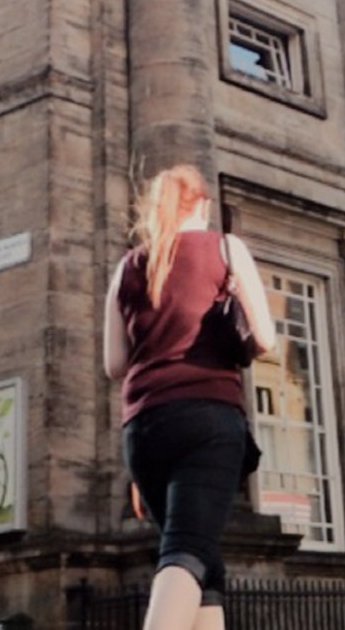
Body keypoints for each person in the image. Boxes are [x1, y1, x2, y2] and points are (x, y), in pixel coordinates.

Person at [104, 165, 277, 630]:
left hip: (143, 432)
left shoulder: (127, 266)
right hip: (208, 422)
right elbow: (264, 338)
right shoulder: (224, 247)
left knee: (205, 566)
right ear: (202, 205)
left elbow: (115, 363)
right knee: (186, 551)